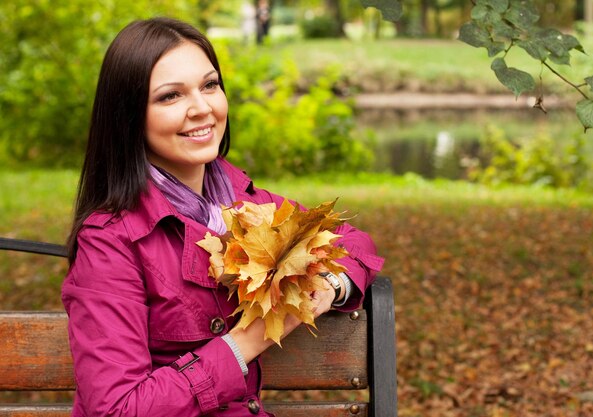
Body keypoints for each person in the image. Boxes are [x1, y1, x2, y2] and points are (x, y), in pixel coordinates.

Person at [62, 17, 383, 417]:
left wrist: (327, 286)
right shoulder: (110, 241)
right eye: (169, 97)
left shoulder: (243, 202)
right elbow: (117, 409)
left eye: (209, 85)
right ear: (129, 117)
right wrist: (247, 341)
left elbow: (353, 241)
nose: (202, 109)